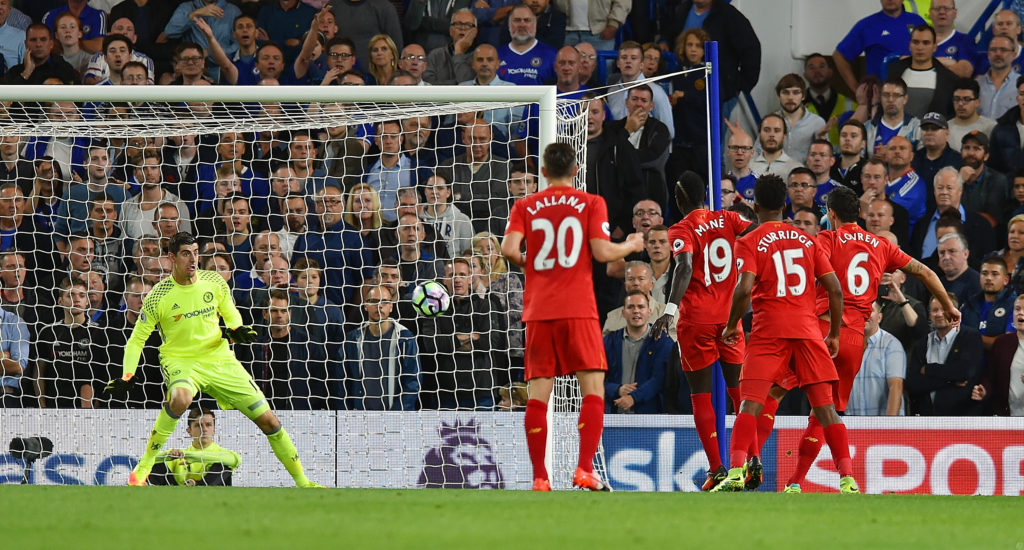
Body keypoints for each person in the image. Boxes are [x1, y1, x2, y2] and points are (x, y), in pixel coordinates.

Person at [766, 187, 959, 492]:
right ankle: (819, 480)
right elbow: (924, 272)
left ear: (830, 214)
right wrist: (948, 305)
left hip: (821, 332)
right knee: (823, 413)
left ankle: (748, 461)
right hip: (855, 341)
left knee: (772, 393)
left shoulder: (826, 239)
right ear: (858, 213)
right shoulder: (881, 245)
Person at [103, 232, 322, 488]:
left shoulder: (214, 282)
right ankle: (144, 467)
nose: (193, 259)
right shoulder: (157, 296)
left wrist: (236, 330)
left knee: (269, 421)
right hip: (181, 361)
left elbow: (232, 315)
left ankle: (304, 482)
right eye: (186, 253)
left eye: (196, 252)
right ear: (172, 258)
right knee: (181, 399)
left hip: (219, 360)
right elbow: (136, 340)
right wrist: (128, 373)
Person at [501, 142, 644, 492]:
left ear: (544, 172)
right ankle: (583, 469)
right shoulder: (591, 202)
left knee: (538, 394)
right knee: (592, 390)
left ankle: (539, 477)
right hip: (578, 309)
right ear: (576, 171)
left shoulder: (525, 204)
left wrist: (530, 263)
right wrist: (631, 245)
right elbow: (601, 252)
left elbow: (507, 249)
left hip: (539, 310)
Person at [712, 174, 857, 494]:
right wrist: (833, 333)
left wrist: (730, 325)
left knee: (750, 404)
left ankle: (736, 472)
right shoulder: (808, 239)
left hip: (769, 331)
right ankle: (847, 478)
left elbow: (744, 288)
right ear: (784, 204)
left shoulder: (748, 240)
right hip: (807, 331)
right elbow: (834, 289)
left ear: (755, 205)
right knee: (825, 408)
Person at [649, 170, 750, 490]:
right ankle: (751, 459)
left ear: (679, 199)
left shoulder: (682, 228)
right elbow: (759, 233)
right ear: (705, 195)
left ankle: (717, 467)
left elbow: (685, 266)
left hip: (698, 321)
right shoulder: (729, 219)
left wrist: (669, 309)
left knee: (701, 396)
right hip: (730, 317)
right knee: (741, 394)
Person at [343, 284, 420, 411]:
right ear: (365, 306)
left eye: (384, 302)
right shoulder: (352, 340)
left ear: (391, 306)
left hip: (395, 420)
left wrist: (395, 416)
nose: (379, 306)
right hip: (359, 420)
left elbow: (412, 383)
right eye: (373, 301)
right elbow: (343, 383)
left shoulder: (405, 339)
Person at [906, 293, 984, 416]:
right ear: (930, 315)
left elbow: (965, 372)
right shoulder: (921, 344)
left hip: (960, 418)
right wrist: (950, 382)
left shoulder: (970, 337)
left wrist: (929, 369)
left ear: (955, 312)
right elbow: (913, 383)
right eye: (935, 310)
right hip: (926, 417)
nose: (939, 314)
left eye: (944, 309)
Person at [832, 0, 926, 91]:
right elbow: (839, 56)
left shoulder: (917, 22)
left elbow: (932, 52)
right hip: (880, 96)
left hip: (915, 91)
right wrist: (856, 88)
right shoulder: (867, 25)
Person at [603, 290, 670, 414]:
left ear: (649, 312)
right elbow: (599, 379)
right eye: (630, 307)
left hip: (651, 419)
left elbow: (660, 379)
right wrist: (617, 390)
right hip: (613, 418)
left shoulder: (662, 341)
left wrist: (634, 397)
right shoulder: (609, 341)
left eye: (641, 307)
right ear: (623, 313)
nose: (636, 311)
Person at [148, 407, 240, 486]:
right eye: (198, 425)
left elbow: (236, 460)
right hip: (181, 493)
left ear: (214, 430)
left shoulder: (222, 453)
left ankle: (197, 486)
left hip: (211, 494)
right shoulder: (179, 455)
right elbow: (145, 461)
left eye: (208, 425)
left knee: (223, 467)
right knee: (157, 465)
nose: (204, 429)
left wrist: (192, 457)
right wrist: (167, 454)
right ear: (189, 431)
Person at [846, 301, 907, 416]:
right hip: (852, 424)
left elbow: (896, 387)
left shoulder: (891, 344)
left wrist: (888, 426)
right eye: (860, 310)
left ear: (879, 317)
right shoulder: (846, 344)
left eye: (870, 310)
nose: (865, 314)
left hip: (882, 426)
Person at [885, 24, 956, 118]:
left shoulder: (948, 78)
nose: (920, 47)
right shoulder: (894, 71)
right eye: (915, 42)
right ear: (910, 45)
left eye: (926, 43)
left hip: (931, 131)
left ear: (934, 47)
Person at [978, 294, 1024, 416]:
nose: (1020, 313)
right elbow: (989, 376)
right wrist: (984, 390)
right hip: (1006, 417)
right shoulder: (1002, 342)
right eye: (1017, 309)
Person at [961, 256, 1016, 350]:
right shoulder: (968, 305)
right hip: (969, 362)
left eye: (995, 274)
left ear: (1006, 280)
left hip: (999, 363)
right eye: (984, 273)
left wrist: (970, 339)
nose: (988, 278)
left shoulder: (1015, 305)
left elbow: (1008, 344)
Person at [805, 53, 857, 147]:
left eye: (822, 66)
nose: (817, 71)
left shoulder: (850, 104)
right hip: (812, 158)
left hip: (842, 158)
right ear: (805, 74)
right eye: (811, 68)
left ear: (830, 71)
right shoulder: (799, 106)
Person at [496, 4, 556, 86]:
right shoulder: (496, 55)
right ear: (509, 24)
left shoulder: (552, 55)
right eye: (517, 20)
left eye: (527, 20)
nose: (522, 25)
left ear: (535, 23)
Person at [774, 73, 826, 165]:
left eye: (796, 92)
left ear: (803, 96)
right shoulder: (771, 121)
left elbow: (825, 158)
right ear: (779, 96)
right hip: (775, 176)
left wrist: (822, 139)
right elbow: (758, 153)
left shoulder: (817, 123)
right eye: (785, 92)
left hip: (805, 177)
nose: (790, 97)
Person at [423, 8, 476, 85]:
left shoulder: (481, 57)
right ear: (451, 30)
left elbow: (470, 86)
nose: (462, 28)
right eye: (458, 24)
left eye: (468, 25)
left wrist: (459, 52)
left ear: (475, 31)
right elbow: (428, 84)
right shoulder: (435, 55)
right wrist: (457, 84)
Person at [912, 112, 962, 190]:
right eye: (925, 128)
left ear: (947, 133)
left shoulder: (958, 160)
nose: (929, 132)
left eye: (934, 128)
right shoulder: (913, 158)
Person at [556, 0, 629, 51]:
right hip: (566, 33)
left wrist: (613, 24)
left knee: (602, 71)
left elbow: (623, 2)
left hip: (600, 33)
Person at [977, 35, 1020, 120]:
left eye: (1003, 50)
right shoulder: (976, 84)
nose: (998, 54)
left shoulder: (1021, 85)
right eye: (993, 50)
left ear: (1014, 54)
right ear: (988, 54)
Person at [748, 114, 802, 180]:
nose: (771, 135)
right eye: (766, 130)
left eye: (777, 131)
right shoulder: (748, 167)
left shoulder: (796, 169)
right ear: (759, 135)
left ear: (784, 136)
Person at [948, 79, 996, 151]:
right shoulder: (944, 129)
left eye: (966, 99)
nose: (960, 104)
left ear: (977, 102)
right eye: (957, 99)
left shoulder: (991, 128)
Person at [937, 232, 981, 305]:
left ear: (965, 254)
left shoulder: (977, 283)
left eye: (952, 251)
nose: (946, 257)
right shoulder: (937, 283)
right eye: (942, 253)